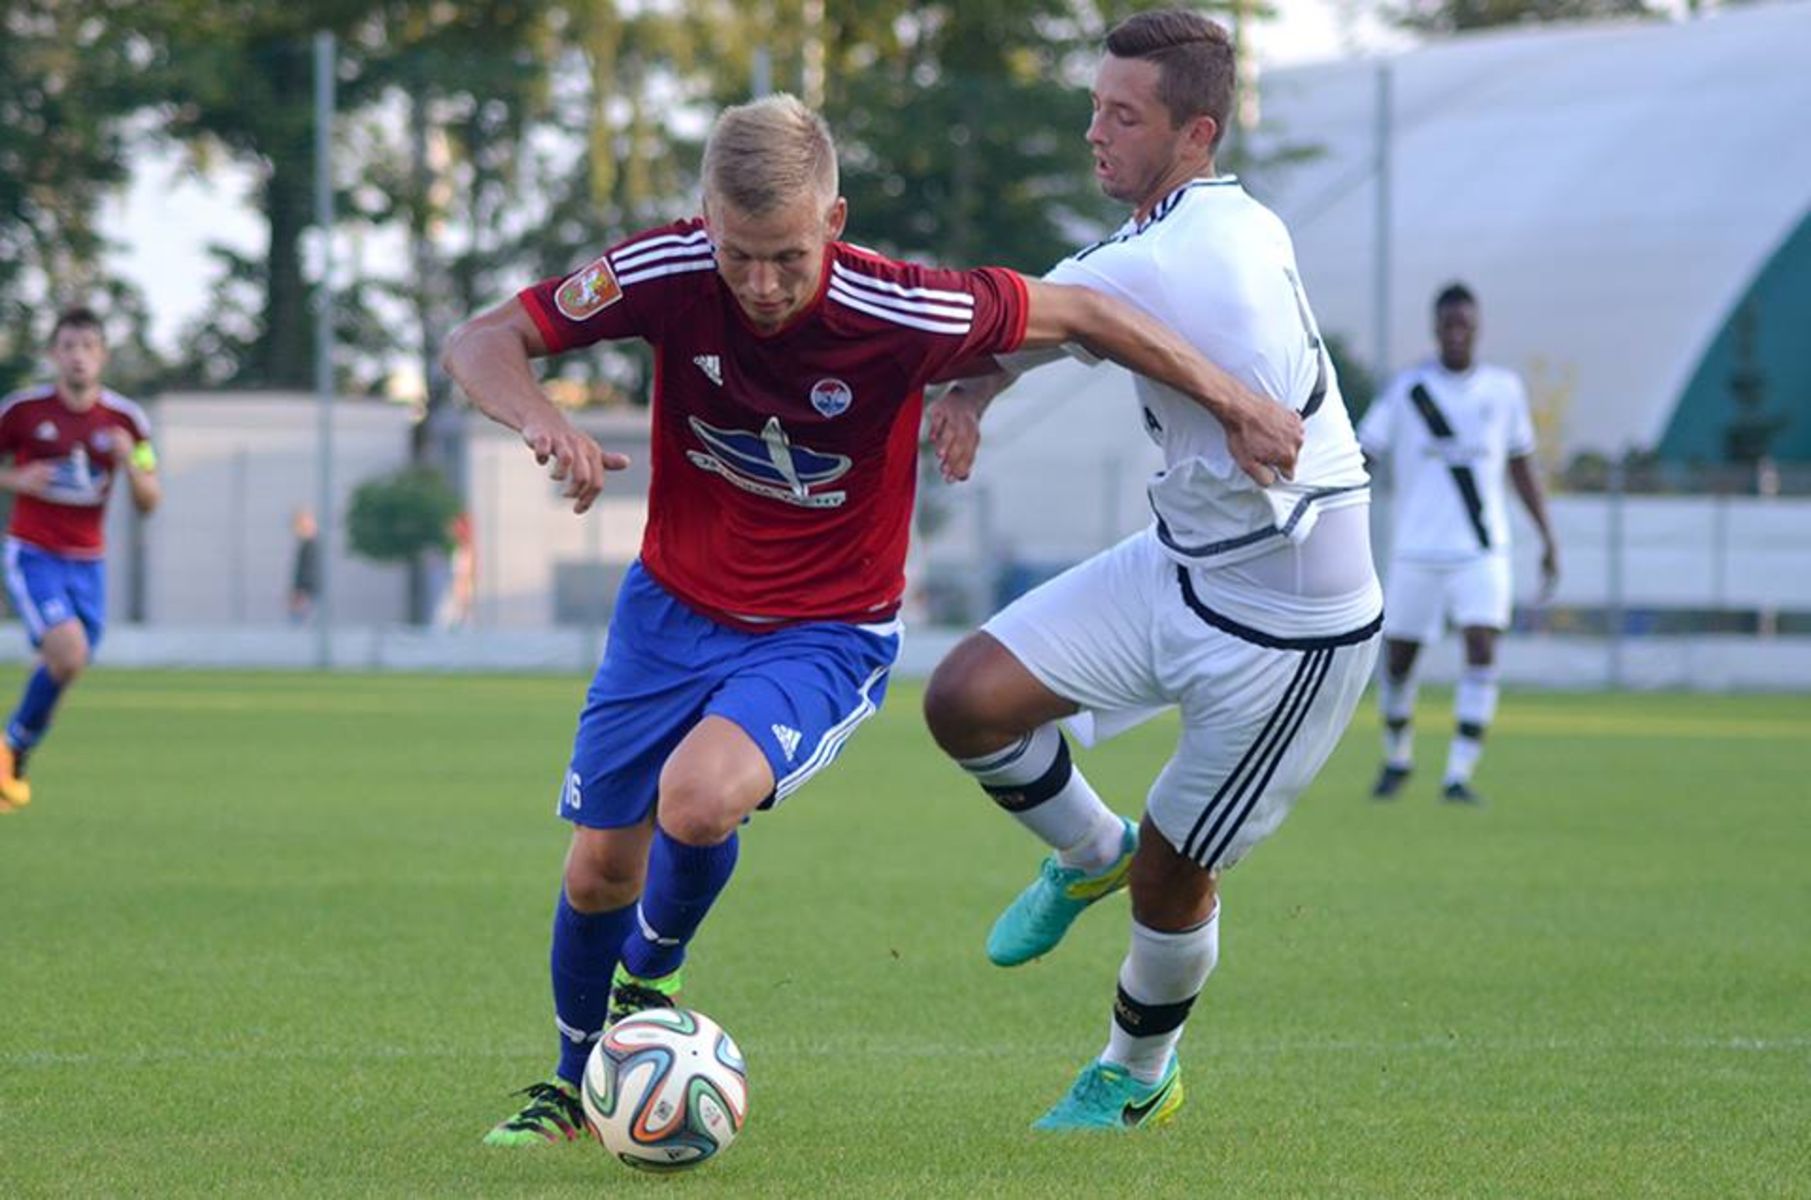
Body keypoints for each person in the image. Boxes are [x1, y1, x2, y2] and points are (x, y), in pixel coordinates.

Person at [440, 91, 1301, 1147]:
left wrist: (1234, 402)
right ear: (703, 220)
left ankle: (644, 988)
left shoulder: (902, 310)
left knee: (697, 800)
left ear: (833, 226)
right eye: (738, 255)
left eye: (787, 258)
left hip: (823, 630)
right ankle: (569, 1088)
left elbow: (1086, 315)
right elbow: (484, 339)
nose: (759, 286)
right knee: (596, 869)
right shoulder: (664, 271)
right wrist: (543, 421)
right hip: (666, 608)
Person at [919, 9, 1382, 1132]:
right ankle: (1088, 853)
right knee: (964, 700)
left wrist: (1242, 408)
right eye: (1093, 107)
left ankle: (1136, 1070)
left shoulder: (1201, 254)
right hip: (1179, 569)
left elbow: (1091, 310)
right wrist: (978, 391)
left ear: (1195, 132)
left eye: (1122, 116)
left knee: (1174, 880)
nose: (1095, 133)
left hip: (1288, 631)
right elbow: (1074, 306)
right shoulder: (1177, 227)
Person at [1357, 283, 1559, 804]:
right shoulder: (1408, 390)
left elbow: (1520, 466)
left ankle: (1458, 775)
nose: (1456, 334)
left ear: (1477, 328)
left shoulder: (1503, 390)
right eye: (1447, 325)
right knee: (1399, 659)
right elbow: (1366, 455)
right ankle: (1397, 758)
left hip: (1481, 548)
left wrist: (1546, 535)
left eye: (1464, 325)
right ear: (1435, 329)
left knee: (1482, 646)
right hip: (1416, 550)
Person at [0, 306, 161, 812]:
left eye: (88, 347)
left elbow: (150, 498)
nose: (78, 358)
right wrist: (15, 481)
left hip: (89, 562)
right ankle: (10, 750)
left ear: (102, 357)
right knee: (67, 653)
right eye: (68, 347)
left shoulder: (127, 423)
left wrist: (129, 467)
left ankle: (14, 752)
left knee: (68, 667)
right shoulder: (22, 413)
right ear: (53, 355)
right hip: (33, 552)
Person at [288, 506, 319, 623]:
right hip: (306, 591)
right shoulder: (306, 545)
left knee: (305, 623)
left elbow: (307, 572)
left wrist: (301, 592)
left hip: (307, 592)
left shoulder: (310, 546)